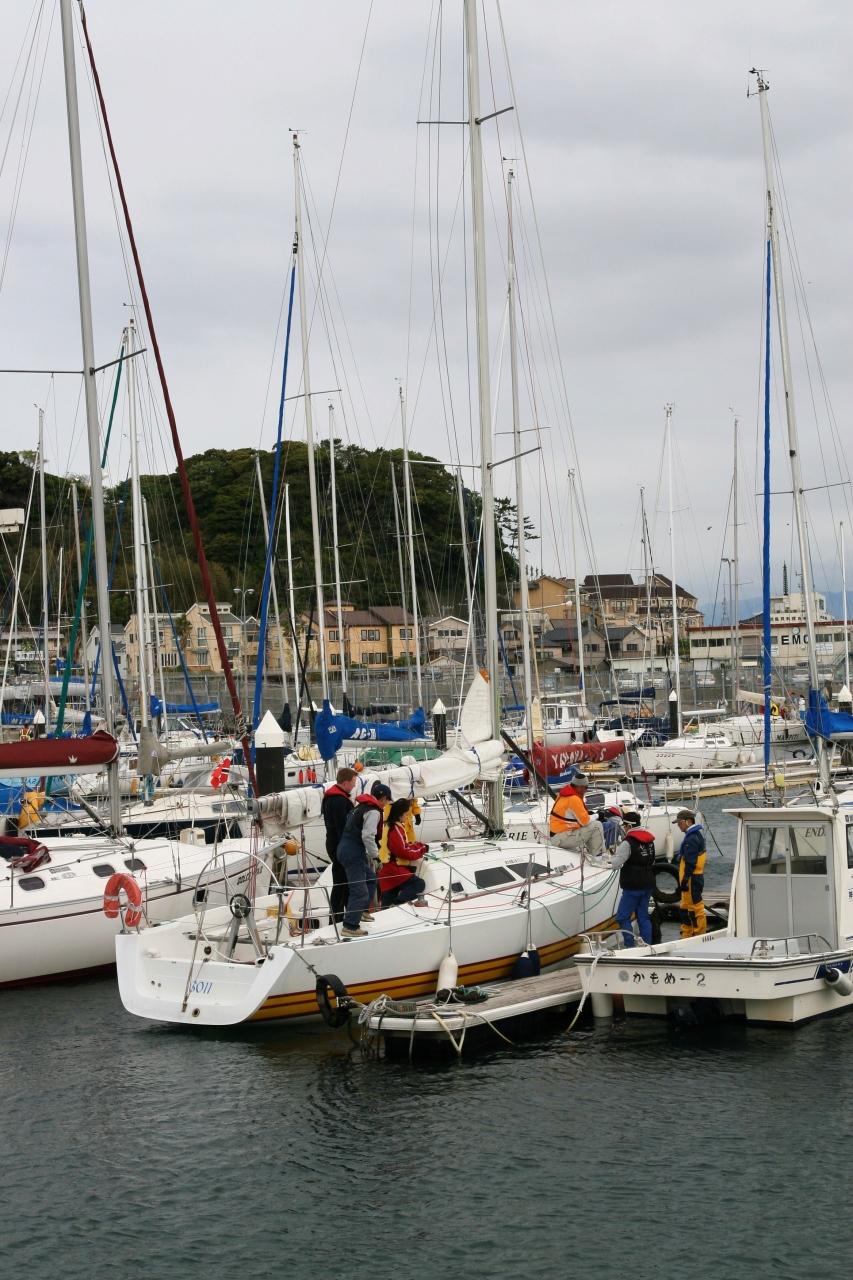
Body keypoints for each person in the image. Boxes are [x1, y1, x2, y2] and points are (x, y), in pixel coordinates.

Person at [336, 780, 392, 938]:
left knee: (371, 878)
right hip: (353, 852)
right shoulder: (373, 811)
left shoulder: (360, 807)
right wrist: (376, 857)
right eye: (388, 801)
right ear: (383, 799)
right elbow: (368, 836)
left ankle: (362, 911)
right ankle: (350, 926)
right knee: (359, 891)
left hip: (345, 848)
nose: (387, 804)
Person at [610, 811, 657, 947]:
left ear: (628, 826)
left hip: (633, 885)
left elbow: (616, 863)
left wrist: (605, 863)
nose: (624, 829)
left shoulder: (628, 843)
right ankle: (647, 946)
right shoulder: (650, 840)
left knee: (622, 917)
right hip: (648, 882)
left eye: (624, 826)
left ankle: (629, 946)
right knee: (642, 916)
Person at [320, 767, 357, 923]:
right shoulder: (338, 801)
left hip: (335, 843)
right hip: (340, 846)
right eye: (353, 783)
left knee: (342, 882)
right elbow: (343, 827)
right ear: (346, 782)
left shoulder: (333, 798)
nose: (354, 786)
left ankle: (340, 917)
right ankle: (337, 920)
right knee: (342, 883)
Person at [378, 798, 428, 909]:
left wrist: (418, 845)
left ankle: (387, 911)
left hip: (386, 870)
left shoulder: (389, 826)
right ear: (400, 814)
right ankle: (397, 904)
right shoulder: (395, 829)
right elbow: (403, 851)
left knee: (388, 898)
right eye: (406, 814)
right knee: (419, 884)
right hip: (393, 870)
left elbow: (403, 846)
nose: (407, 817)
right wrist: (422, 850)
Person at [548, 769, 605, 858]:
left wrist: (589, 814)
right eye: (586, 787)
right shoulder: (574, 799)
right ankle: (598, 857)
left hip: (556, 836)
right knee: (597, 825)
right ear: (580, 787)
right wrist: (598, 815)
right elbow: (585, 822)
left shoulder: (563, 794)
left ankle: (592, 853)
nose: (586, 790)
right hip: (563, 838)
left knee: (590, 825)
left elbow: (571, 814)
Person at [674, 809, 707, 938]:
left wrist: (685, 879)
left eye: (680, 823)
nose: (678, 826)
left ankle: (698, 934)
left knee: (695, 908)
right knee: (685, 907)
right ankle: (687, 933)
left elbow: (691, 862)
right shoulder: (697, 835)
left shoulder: (691, 838)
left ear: (688, 822)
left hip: (692, 878)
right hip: (694, 877)